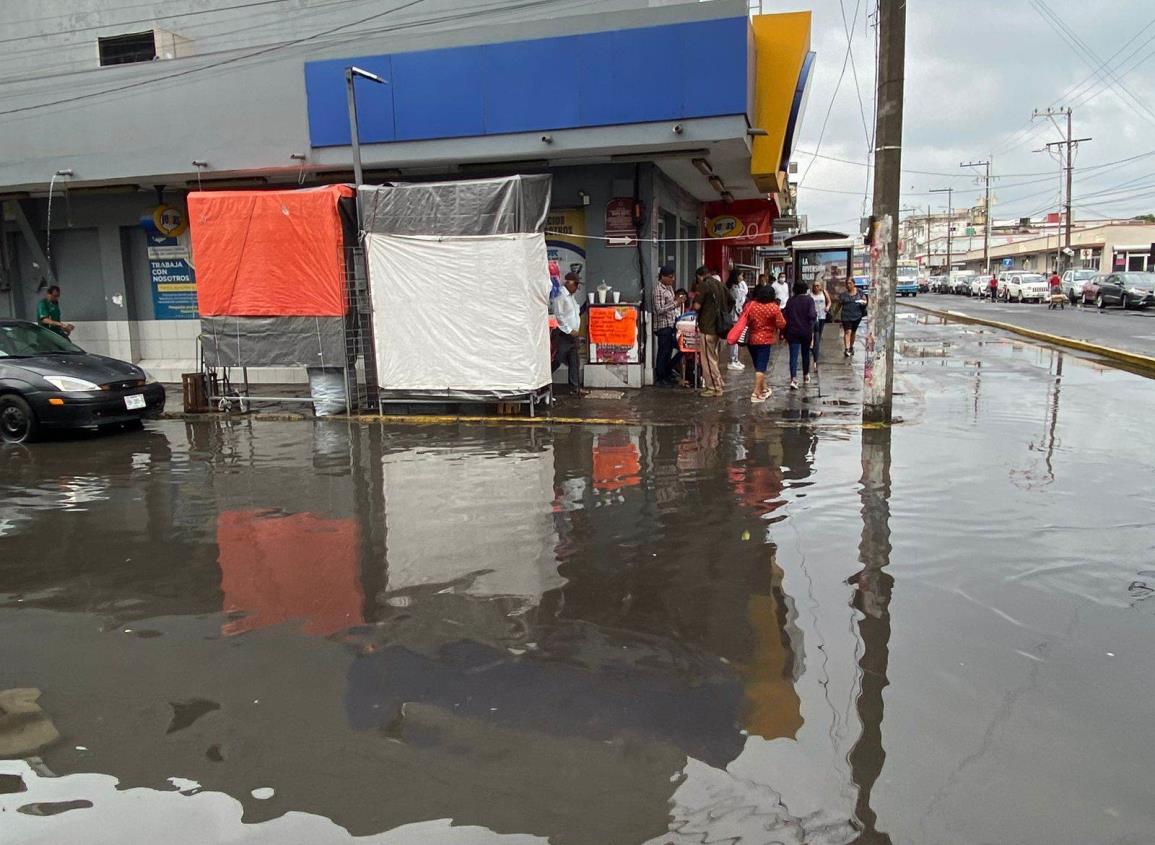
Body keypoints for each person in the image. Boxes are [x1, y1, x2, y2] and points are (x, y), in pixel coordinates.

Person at [743, 284, 786, 403]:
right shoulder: (773, 307)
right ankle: (756, 392)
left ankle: (764, 388)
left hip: (751, 339)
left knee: (758, 365)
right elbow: (782, 324)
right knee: (761, 368)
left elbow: (744, 319)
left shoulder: (750, 305)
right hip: (765, 340)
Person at [693, 272, 732, 398]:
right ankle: (718, 382)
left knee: (708, 360)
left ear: (700, 276)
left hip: (707, 327)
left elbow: (697, 306)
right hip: (718, 327)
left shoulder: (704, 286)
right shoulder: (720, 285)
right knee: (713, 357)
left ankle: (713, 387)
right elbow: (732, 300)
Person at [551, 273, 584, 394]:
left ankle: (575, 387)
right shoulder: (561, 295)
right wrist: (569, 330)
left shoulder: (571, 296)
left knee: (574, 360)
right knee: (557, 359)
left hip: (572, 335)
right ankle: (544, 381)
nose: (576, 288)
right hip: (563, 334)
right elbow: (559, 316)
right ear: (569, 283)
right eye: (575, 285)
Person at [783, 281, 817, 389]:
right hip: (806, 332)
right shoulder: (809, 300)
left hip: (792, 332)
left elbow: (785, 317)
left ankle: (793, 379)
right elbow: (812, 315)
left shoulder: (790, 301)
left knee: (793, 356)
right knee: (805, 354)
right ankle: (806, 375)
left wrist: (784, 332)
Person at [653, 265, 678, 386]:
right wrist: (675, 304)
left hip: (670, 324)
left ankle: (667, 374)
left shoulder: (669, 288)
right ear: (663, 276)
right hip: (663, 326)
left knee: (668, 351)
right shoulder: (659, 289)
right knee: (663, 352)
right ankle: (660, 377)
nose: (672, 279)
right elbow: (659, 309)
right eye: (670, 277)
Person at [839, 279, 867, 357]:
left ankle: (851, 347)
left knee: (853, 332)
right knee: (848, 332)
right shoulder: (843, 295)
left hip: (856, 316)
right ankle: (846, 348)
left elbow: (865, 300)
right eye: (847, 283)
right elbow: (839, 305)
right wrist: (834, 315)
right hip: (846, 316)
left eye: (850, 283)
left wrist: (863, 302)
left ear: (854, 284)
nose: (848, 285)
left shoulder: (860, 292)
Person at [727, 271, 749, 371]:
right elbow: (736, 304)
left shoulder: (737, 287)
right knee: (734, 338)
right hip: (734, 317)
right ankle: (733, 360)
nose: (742, 277)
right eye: (740, 275)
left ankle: (735, 359)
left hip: (736, 316)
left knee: (736, 338)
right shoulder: (733, 289)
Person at [810, 280, 831, 368]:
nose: (816, 287)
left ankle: (815, 345)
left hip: (822, 315)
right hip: (813, 316)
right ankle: (812, 344)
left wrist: (827, 307)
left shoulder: (824, 292)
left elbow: (829, 301)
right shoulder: (810, 294)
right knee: (811, 332)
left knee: (819, 333)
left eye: (818, 285)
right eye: (815, 286)